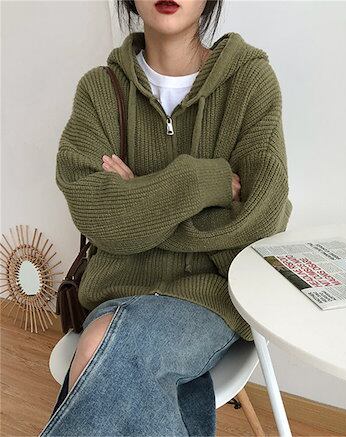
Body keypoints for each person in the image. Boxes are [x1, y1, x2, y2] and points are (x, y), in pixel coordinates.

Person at [39, 0, 293, 435]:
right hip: (118, 293)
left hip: (209, 298)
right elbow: (96, 215)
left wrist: (139, 200)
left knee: (100, 346)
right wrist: (200, 182)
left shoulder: (249, 83)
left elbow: (261, 220)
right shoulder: (99, 91)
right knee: (113, 349)